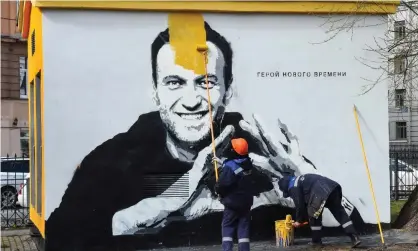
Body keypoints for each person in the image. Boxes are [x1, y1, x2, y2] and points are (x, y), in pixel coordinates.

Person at [277, 174, 362, 248]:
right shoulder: (300, 180)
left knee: (313, 216)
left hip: (319, 190)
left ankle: (316, 241)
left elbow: (300, 205)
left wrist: (299, 221)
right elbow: (305, 203)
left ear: (285, 187)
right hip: (333, 187)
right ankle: (355, 237)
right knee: (339, 213)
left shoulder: (292, 186)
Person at [214, 138, 254, 251]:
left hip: (232, 204)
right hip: (246, 203)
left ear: (234, 151)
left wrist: (217, 191)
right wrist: (222, 162)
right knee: (243, 228)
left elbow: (223, 184)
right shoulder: (249, 165)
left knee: (228, 227)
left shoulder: (230, 167)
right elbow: (238, 169)